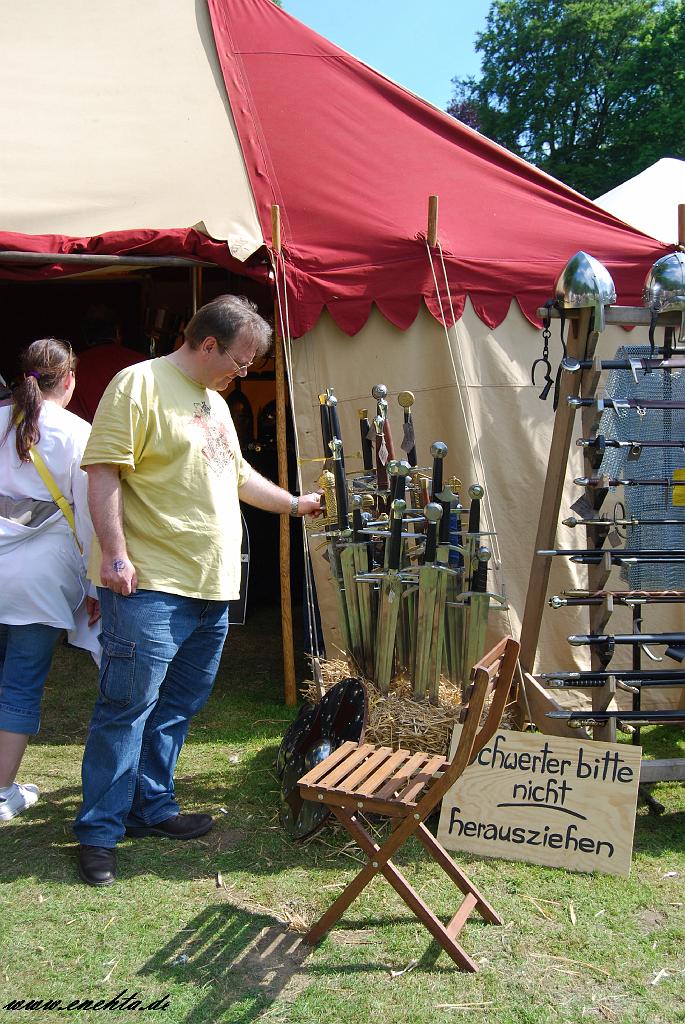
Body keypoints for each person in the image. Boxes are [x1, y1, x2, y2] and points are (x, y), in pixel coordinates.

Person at [74, 294, 321, 886]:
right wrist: (115, 554)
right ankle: (100, 832)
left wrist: (292, 504)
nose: (243, 373)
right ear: (208, 343)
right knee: (127, 707)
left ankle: (150, 807)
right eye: (241, 361)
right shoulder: (136, 386)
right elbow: (104, 471)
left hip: (211, 586)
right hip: (151, 582)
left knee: (178, 706)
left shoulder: (213, 402)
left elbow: (235, 476)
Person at [0, 339, 99, 821]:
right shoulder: (78, 432)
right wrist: (96, 585)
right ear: (70, 380)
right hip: (41, 579)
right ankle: (1, 792)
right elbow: (89, 517)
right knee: (19, 684)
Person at [67, 305, 144, 423]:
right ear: (117, 332)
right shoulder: (143, 362)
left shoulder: (74, 368)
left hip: (90, 438)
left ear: (86, 336)